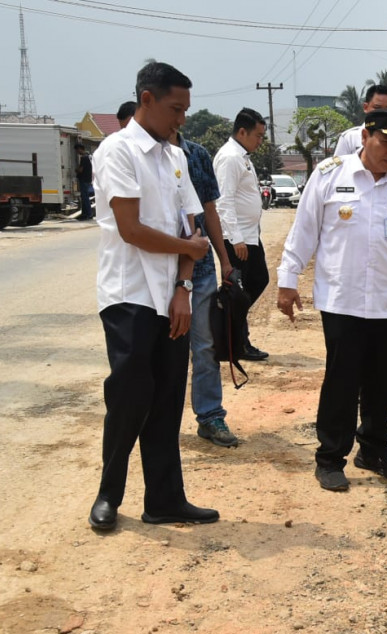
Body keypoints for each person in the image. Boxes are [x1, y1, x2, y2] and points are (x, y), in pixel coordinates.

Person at [275, 108, 387, 493]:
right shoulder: (329, 175)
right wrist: (288, 281)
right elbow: (304, 232)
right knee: (342, 380)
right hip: (342, 299)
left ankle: (374, 452)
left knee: (382, 383)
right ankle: (331, 458)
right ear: (365, 137)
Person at [87, 61, 218, 531]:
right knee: (129, 395)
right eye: (175, 109)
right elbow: (132, 230)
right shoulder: (117, 152)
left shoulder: (176, 158)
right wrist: (189, 249)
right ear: (147, 99)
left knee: (166, 399)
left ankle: (164, 499)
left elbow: (192, 226)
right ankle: (108, 495)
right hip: (128, 296)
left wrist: (184, 286)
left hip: (170, 297)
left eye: (185, 109)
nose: (181, 119)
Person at [170, 128, 239, 448]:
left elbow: (208, 211)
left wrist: (224, 260)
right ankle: (156, 418)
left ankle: (211, 416)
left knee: (205, 346)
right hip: (157, 272)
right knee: (163, 351)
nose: (178, 119)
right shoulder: (138, 156)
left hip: (199, 271)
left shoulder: (196, 156)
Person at [213, 108, 270, 362]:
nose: (260, 141)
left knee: (254, 283)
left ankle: (234, 337)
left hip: (249, 236)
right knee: (238, 291)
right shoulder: (229, 158)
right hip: (237, 239)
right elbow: (223, 201)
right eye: (257, 136)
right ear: (242, 131)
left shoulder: (242, 156)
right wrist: (235, 238)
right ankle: (233, 341)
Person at [333, 84, 387, 175]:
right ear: (365, 107)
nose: (382, 114)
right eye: (377, 108)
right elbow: (338, 172)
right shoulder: (350, 138)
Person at [75, 143, 94, 220]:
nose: (77, 152)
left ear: (80, 149)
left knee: (85, 198)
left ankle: (88, 214)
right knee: (84, 197)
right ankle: (85, 214)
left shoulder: (84, 158)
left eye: (77, 150)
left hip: (84, 179)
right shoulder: (89, 156)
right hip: (88, 179)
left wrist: (76, 170)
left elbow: (81, 170)